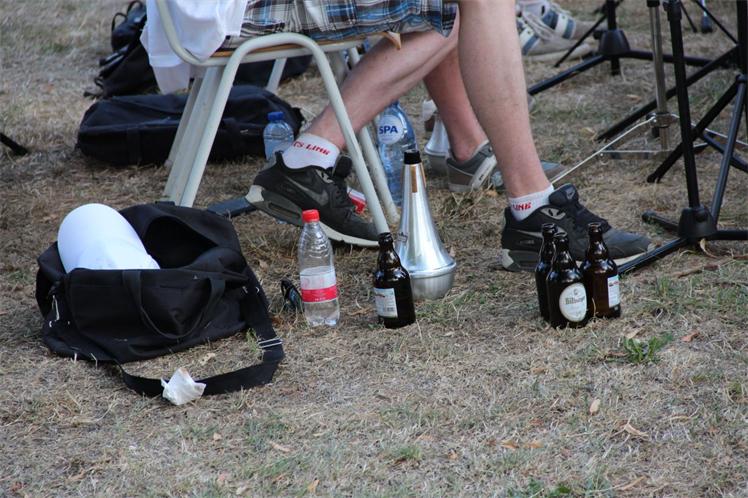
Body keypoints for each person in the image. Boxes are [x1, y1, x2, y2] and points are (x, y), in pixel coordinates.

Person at [143, 0, 651, 271]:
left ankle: (466, 147)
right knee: (465, 5)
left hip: (204, 11)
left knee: (448, 7)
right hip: (238, 10)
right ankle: (533, 206)